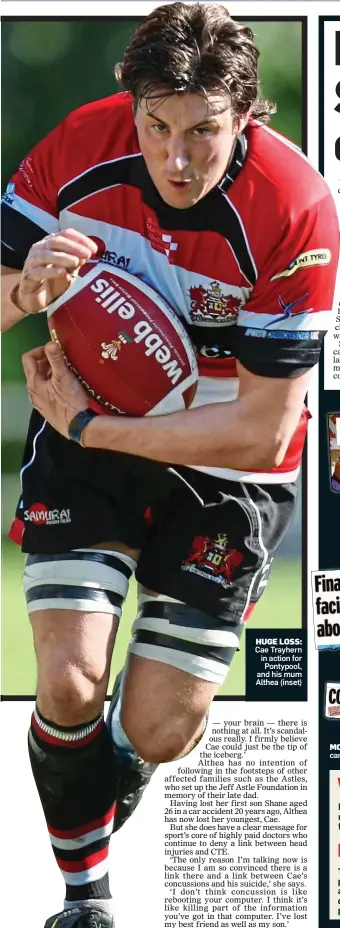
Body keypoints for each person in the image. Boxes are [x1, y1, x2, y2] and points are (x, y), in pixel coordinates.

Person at [1, 4, 339, 926]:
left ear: (247, 115)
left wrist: (92, 430)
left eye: (203, 131)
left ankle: (120, 755)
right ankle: (87, 901)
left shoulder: (297, 209)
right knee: (68, 682)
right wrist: (24, 286)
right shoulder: (77, 148)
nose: (176, 158)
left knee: (160, 725)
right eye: (157, 126)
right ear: (131, 107)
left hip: (225, 461)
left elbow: (265, 434)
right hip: (90, 437)